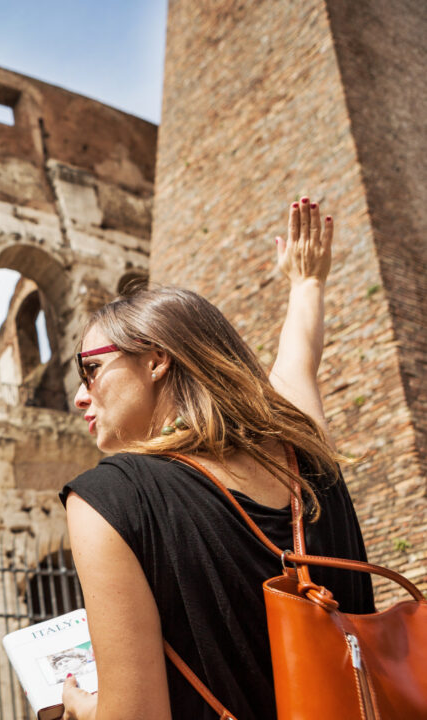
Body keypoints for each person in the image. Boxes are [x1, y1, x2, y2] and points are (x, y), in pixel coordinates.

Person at [59, 198, 375, 720]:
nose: (80, 395)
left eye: (89, 369)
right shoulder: (304, 450)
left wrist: (83, 708)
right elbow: (301, 356)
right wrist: (307, 282)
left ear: (157, 359)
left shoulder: (108, 499)